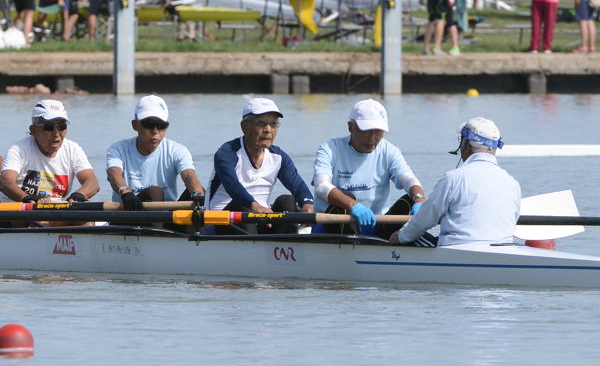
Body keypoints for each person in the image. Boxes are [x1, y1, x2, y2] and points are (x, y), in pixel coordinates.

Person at [390, 117, 520, 248]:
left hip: (457, 249)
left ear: (465, 145)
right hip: (503, 248)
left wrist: (400, 237)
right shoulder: (513, 184)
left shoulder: (453, 178)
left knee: (404, 234)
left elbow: (424, 220)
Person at [311, 99, 425, 238]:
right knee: (347, 197)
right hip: (331, 227)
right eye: (366, 131)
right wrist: (353, 206)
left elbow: (409, 179)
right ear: (350, 127)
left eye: (378, 132)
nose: (372, 139)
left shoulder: (389, 150)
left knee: (410, 199)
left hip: (375, 226)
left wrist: (419, 200)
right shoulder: (330, 149)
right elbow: (321, 187)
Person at [207, 98, 314, 234]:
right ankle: (259, 250)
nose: (268, 130)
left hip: (261, 220)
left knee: (287, 200)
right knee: (243, 207)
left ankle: (286, 247)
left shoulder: (279, 157)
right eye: (261, 123)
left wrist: (308, 205)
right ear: (244, 127)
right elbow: (233, 187)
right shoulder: (227, 153)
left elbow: (298, 186)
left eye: (273, 124)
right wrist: (255, 206)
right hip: (221, 222)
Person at [106, 95, 204, 209]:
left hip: (166, 217)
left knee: (200, 193)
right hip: (128, 211)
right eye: (149, 124)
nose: (155, 131)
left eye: (161, 125)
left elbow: (189, 176)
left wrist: (197, 194)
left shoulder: (177, 150)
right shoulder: (118, 149)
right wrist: (124, 191)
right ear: (135, 125)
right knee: (154, 192)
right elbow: (114, 173)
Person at [0, 99, 99, 205]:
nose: (56, 134)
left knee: (87, 222)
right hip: (22, 210)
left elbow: (92, 182)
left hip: (57, 211)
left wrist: (79, 195)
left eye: (61, 126)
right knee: (43, 221)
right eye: (49, 127)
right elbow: (6, 182)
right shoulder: (18, 150)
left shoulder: (73, 149)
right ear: (33, 130)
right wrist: (27, 198)